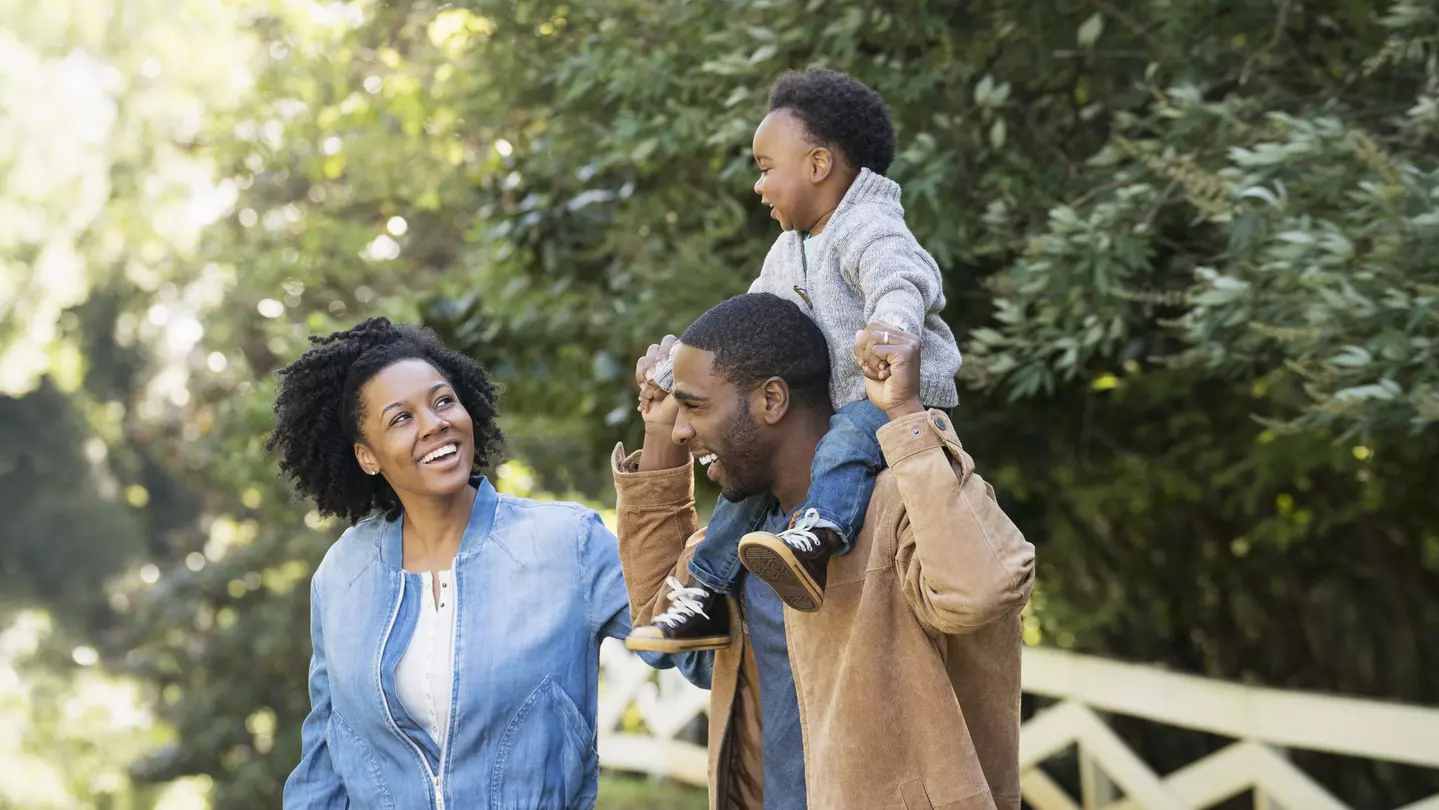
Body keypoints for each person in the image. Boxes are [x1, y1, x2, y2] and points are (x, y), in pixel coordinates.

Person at [613, 293, 1034, 809]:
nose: (682, 429)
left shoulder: (905, 504)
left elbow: (984, 592)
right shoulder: (744, 541)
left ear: (772, 400)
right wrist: (658, 432)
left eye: (694, 407)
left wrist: (905, 415)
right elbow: (662, 633)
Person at [271, 317, 707, 810]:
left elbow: (691, 645)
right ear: (366, 455)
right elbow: (325, 764)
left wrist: (663, 432)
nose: (434, 423)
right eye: (400, 418)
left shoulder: (566, 543)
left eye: (442, 401)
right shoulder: (341, 575)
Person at [627, 66, 965, 652]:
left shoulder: (870, 224)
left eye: (765, 168)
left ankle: (817, 536)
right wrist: (675, 370)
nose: (758, 186)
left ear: (817, 165)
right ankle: (706, 594)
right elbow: (750, 323)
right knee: (747, 494)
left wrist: (891, 328)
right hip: (841, 401)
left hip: (884, 399)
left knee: (839, 451)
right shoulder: (791, 250)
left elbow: (903, 279)